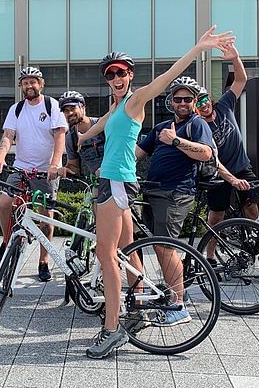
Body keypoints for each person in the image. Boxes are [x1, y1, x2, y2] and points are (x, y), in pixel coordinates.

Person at [78, 26, 235, 359]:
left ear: (130, 75)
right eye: (110, 74)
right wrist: (77, 136)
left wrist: (198, 48)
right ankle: (135, 306)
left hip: (116, 181)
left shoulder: (135, 100)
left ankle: (111, 329)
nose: (116, 78)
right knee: (126, 250)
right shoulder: (116, 107)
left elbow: (166, 77)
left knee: (104, 256)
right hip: (114, 180)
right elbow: (95, 126)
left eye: (121, 73)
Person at [135, 76, 215, 326]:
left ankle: (178, 306)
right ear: (171, 101)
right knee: (153, 244)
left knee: (166, 247)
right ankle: (167, 291)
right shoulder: (160, 127)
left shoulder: (197, 123)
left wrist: (176, 141)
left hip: (175, 193)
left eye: (187, 99)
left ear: (194, 102)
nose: (182, 103)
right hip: (152, 192)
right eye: (178, 98)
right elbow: (137, 153)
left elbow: (206, 153)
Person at [195, 44, 259, 269]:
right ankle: (210, 257)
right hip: (218, 173)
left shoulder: (224, 105)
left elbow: (241, 81)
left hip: (241, 167)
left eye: (203, 100)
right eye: (197, 104)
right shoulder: (198, 127)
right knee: (216, 216)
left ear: (210, 99)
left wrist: (235, 58)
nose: (202, 106)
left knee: (253, 210)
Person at [0, 66, 67, 282]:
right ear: (21, 86)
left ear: (41, 84)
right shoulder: (16, 109)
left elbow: (60, 136)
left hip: (46, 170)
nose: (29, 85)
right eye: (25, 82)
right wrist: (0, 156)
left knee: (45, 217)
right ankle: (8, 241)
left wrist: (54, 164)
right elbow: (8, 135)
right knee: (5, 204)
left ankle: (44, 261)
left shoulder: (51, 105)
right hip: (21, 166)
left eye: (33, 81)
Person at [56, 90, 105, 181]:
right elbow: (74, 166)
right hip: (95, 182)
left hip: (116, 177)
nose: (70, 113)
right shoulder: (71, 138)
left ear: (82, 107)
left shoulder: (102, 125)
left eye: (73, 108)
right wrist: (66, 170)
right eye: (66, 111)